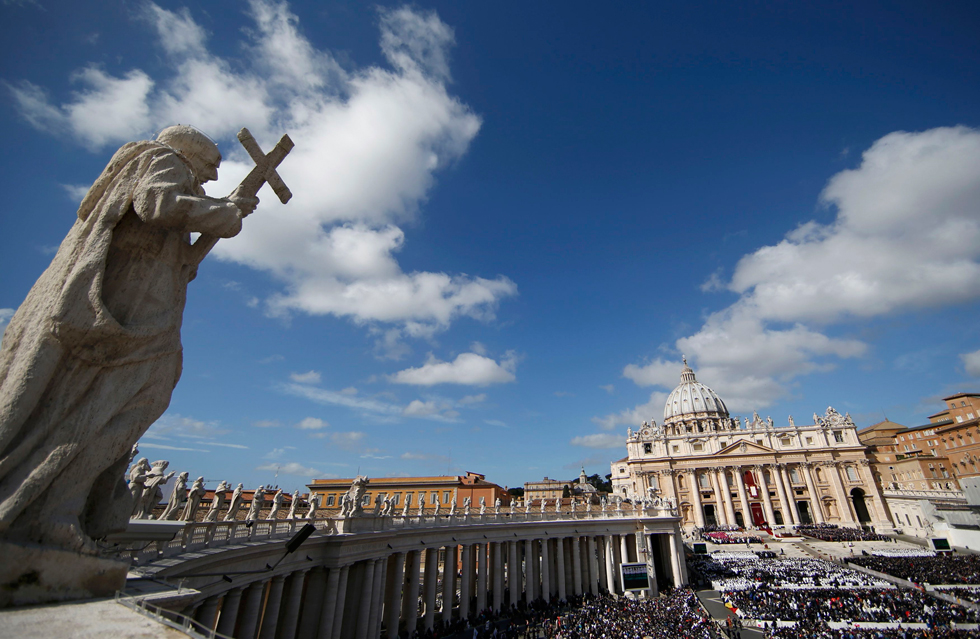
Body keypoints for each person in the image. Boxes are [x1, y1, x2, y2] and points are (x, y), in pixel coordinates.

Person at [0, 125, 257, 553]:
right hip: (126, 318)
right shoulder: (159, 159)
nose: (212, 176)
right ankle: (52, 508)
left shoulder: (172, 173)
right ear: (187, 153)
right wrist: (225, 212)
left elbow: (176, 254)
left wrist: (217, 217)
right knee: (133, 397)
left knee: (132, 399)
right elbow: (158, 204)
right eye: (211, 165)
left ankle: (58, 504)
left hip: (142, 317)